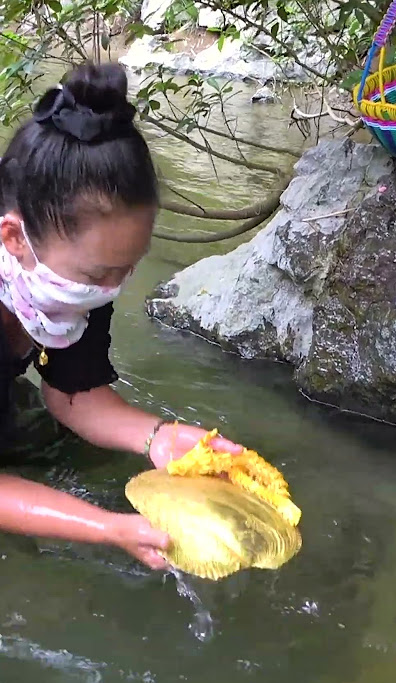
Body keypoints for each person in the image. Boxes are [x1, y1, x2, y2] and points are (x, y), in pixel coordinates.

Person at [0, 62, 241, 570]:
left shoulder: (78, 288)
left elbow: (74, 391)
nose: (111, 288)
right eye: (100, 273)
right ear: (15, 238)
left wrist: (159, 437)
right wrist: (104, 527)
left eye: (126, 268)